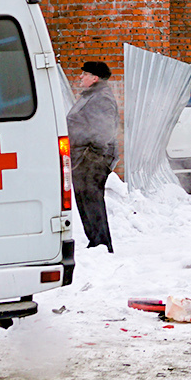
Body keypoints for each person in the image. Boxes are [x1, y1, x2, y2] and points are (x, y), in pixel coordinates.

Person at [66, 60, 120, 252]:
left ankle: (102, 243)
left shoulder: (101, 98)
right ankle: (95, 241)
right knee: (84, 197)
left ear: (94, 78)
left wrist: (94, 155)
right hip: (83, 156)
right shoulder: (90, 96)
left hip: (94, 158)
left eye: (84, 74)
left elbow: (104, 130)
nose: (80, 77)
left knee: (92, 198)